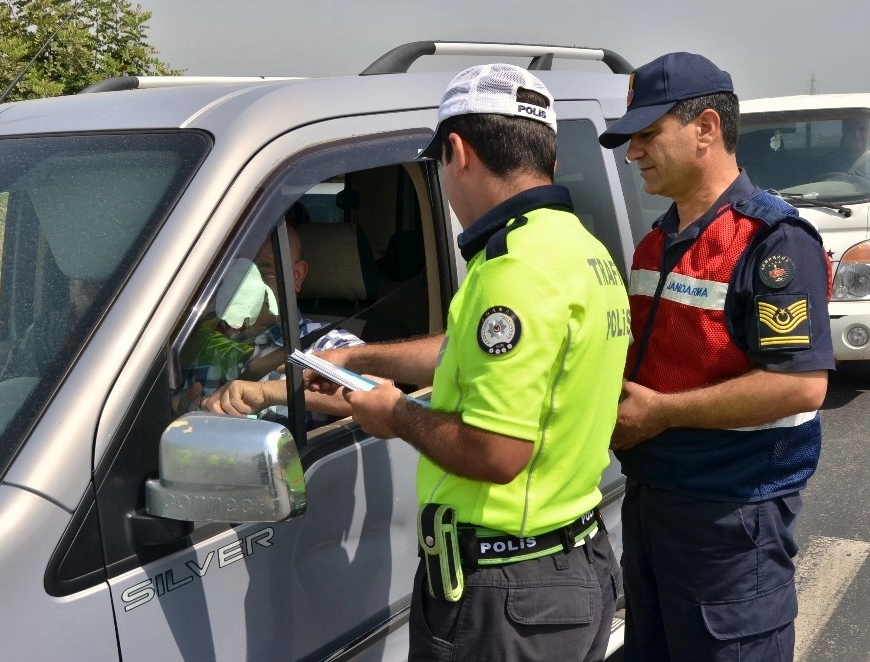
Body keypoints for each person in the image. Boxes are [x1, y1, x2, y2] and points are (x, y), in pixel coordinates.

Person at [307, 64, 630, 661]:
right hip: (566, 567)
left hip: (508, 594)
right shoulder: (578, 250)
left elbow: (496, 453)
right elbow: (471, 353)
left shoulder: (513, 271)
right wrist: (356, 354)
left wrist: (396, 414)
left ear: (457, 152)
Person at [598, 52, 834, 661]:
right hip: (653, 505)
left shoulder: (774, 241)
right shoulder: (659, 239)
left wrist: (661, 414)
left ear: (706, 128)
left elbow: (800, 386)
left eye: (648, 135)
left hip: (731, 521)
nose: (633, 153)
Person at [177, 222, 363, 428]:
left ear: (296, 277)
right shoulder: (198, 341)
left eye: (263, 273)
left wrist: (268, 393)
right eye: (236, 275)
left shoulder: (325, 343)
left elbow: (375, 391)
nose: (246, 290)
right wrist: (180, 408)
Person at [0, 278, 101, 381]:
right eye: (80, 280)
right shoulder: (43, 329)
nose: (84, 286)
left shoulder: (112, 334)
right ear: (70, 288)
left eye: (95, 283)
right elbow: (11, 383)